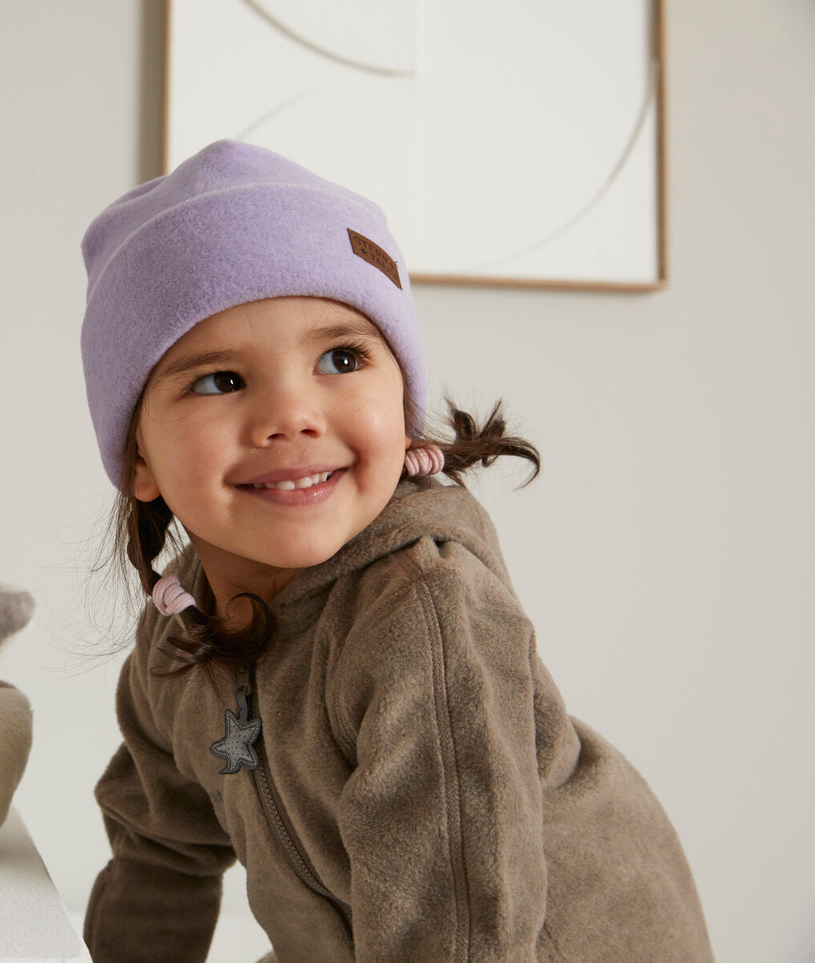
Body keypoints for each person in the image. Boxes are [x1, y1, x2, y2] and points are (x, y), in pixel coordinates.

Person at [77, 140, 712, 962]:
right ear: (138, 456)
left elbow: (456, 930)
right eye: (220, 380)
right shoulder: (181, 629)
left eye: (340, 359)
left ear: (402, 406)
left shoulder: (422, 614)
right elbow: (157, 848)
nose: (292, 415)